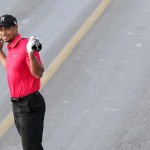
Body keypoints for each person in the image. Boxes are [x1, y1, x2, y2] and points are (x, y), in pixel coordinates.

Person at [0, 14, 46, 150]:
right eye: (1, 29)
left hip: (30, 105)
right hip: (17, 105)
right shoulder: (11, 47)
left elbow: (38, 73)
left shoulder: (26, 45)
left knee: (31, 147)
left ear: (16, 27)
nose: (3, 32)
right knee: (33, 147)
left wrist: (31, 54)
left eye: (7, 29)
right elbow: (10, 67)